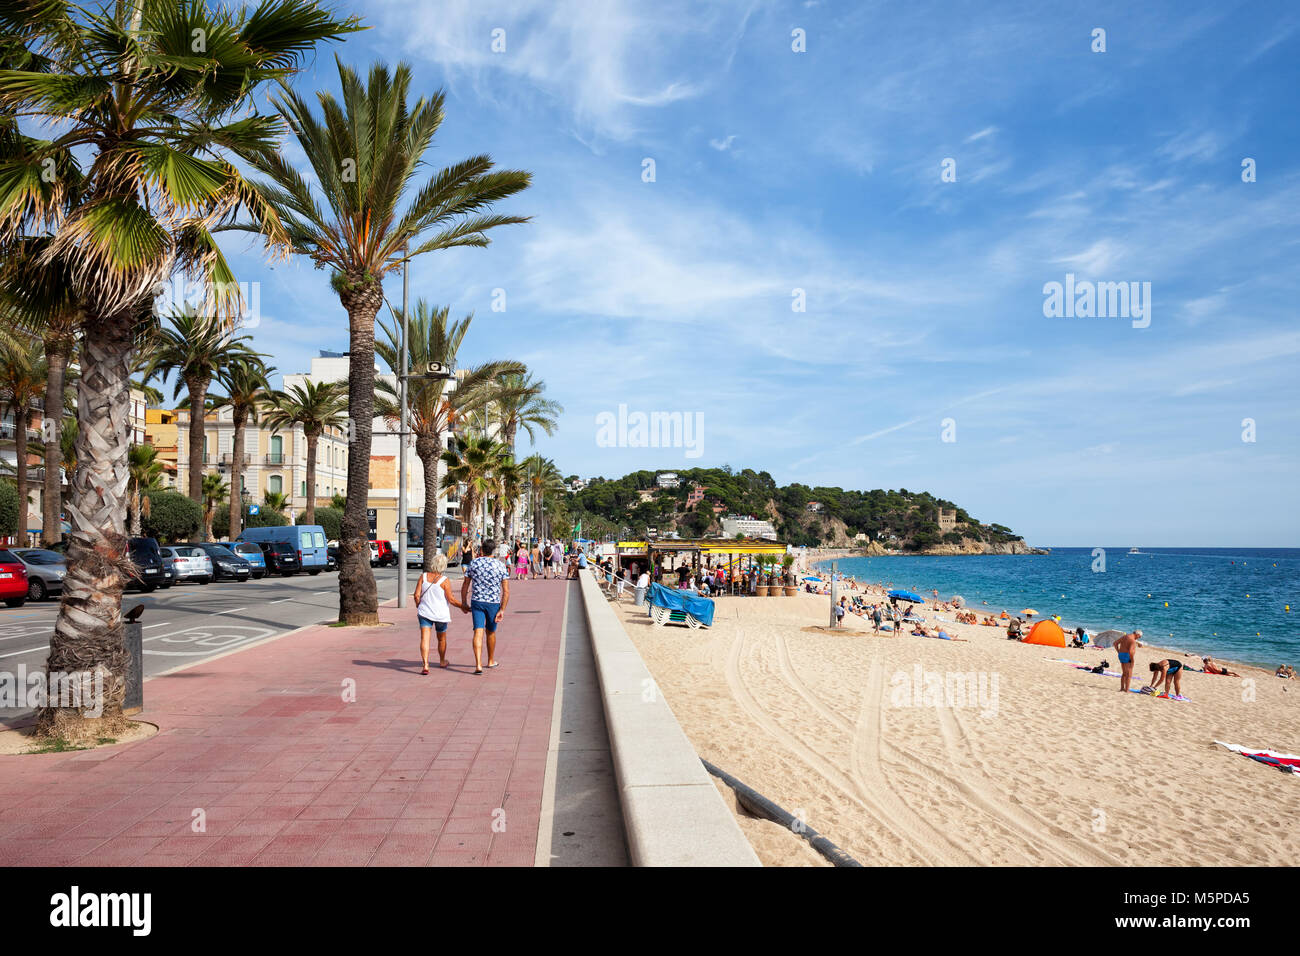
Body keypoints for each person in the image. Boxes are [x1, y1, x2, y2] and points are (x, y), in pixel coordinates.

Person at [460, 539, 510, 675]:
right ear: (494, 551)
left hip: (477, 601)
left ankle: (478, 664)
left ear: (482, 549)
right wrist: (502, 609)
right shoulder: (500, 566)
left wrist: (464, 602)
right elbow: (506, 591)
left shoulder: (474, 563)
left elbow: (465, 585)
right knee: (491, 632)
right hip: (493, 603)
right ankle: (490, 660)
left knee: (478, 632)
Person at [411, 552, 464, 674]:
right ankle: (442, 660)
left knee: (425, 638)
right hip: (441, 614)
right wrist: (462, 606)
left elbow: (416, 595)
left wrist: (418, 605)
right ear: (444, 566)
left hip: (424, 613)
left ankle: (425, 665)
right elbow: (451, 599)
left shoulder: (423, 577)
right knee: (441, 639)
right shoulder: (444, 580)